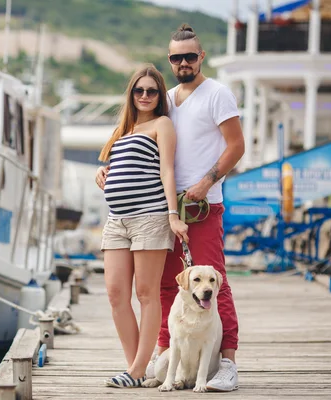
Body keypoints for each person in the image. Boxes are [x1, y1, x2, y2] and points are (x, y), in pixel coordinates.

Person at [96, 24, 245, 392]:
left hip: (201, 206)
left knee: (215, 282)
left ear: (201, 57)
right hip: (162, 209)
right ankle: (162, 357)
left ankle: (228, 363)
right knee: (169, 286)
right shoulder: (168, 100)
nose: (183, 62)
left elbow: (236, 146)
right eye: (176, 57)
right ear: (170, 60)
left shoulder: (217, 94)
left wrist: (206, 183)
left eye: (190, 56)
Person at [98, 64, 189, 388]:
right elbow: (120, 165)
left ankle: (136, 371)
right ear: (132, 94)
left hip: (149, 217)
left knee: (146, 293)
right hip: (116, 220)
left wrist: (172, 214)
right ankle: (136, 368)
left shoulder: (162, 124)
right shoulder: (125, 128)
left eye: (152, 91)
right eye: (140, 90)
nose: (146, 95)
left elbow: (166, 170)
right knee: (115, 294)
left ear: (159, 95)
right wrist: (104, 174)